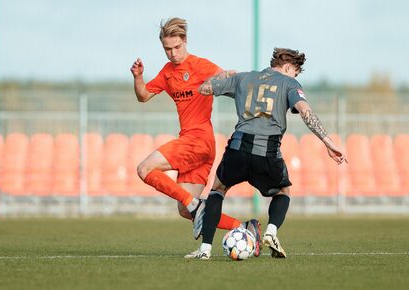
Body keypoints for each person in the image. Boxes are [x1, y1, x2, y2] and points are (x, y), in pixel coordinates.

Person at [186, 48, 348, 260]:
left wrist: (222, 77)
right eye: (295, 73)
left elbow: (204, 89)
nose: (295, 78)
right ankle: (271, 232)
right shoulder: (290, 84)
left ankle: (205, 250)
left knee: (217, 190)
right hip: (268, 151)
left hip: (238, 147)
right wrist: (328, 141)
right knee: (283, 193)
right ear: (289, 67)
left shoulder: (242, 78)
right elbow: (306, 111)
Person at [130, 17, 261, 250]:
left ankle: (196, 205)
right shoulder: (167, 73)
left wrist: (234, 79)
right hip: (197, 146)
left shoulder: (200, 66)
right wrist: (138, 77)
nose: (172, 53)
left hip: (198, 140)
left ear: (185, 41)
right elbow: (143, 96)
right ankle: (244, 228)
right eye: (167, 49)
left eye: (177, 47)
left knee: (144, 169)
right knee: (184, 209)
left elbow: (228, 81)